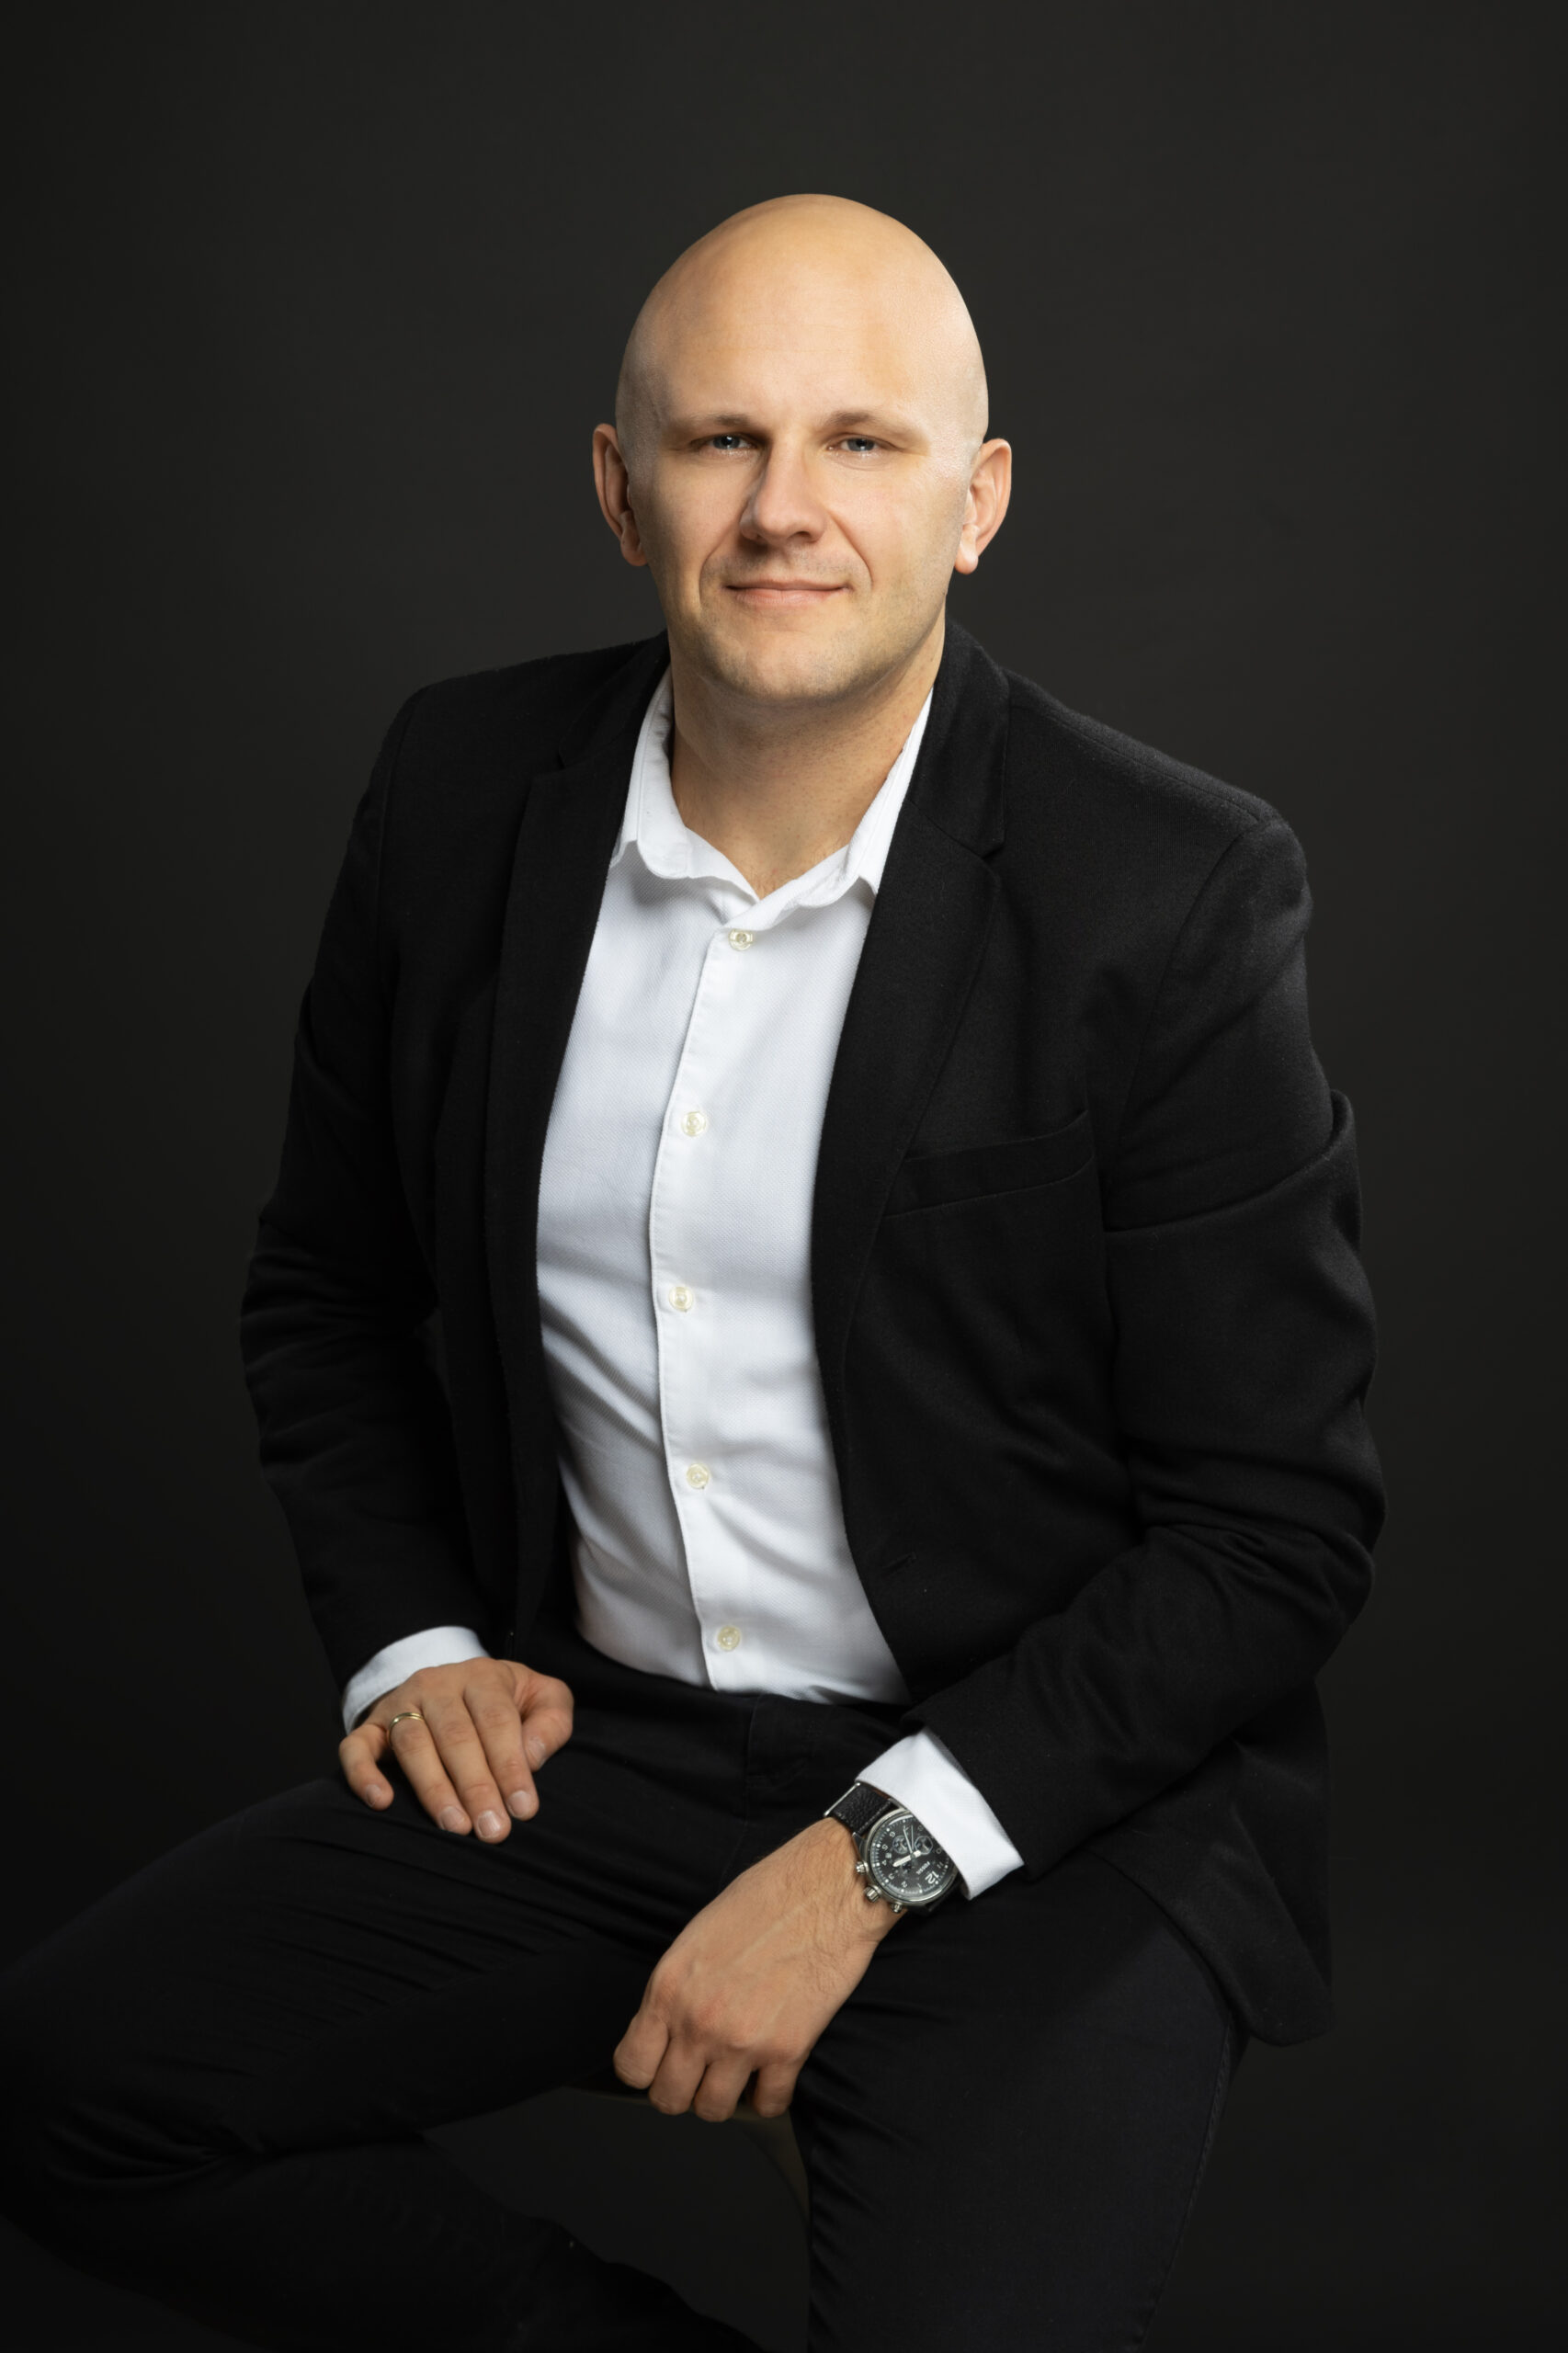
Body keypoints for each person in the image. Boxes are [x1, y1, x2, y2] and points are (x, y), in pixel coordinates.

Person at [0, 193, 1383, 2352]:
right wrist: (409, 1639)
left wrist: (860, 1864)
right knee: (64, 2088)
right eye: (722, 438)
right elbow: (326, 1288)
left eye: (860, 442)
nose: (781, 507)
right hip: (606, 1749)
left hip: (1037, 1794)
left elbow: (1269, 1532)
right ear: (617, 483)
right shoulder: (459, 793)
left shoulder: (1169, 889)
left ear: (976, 501)